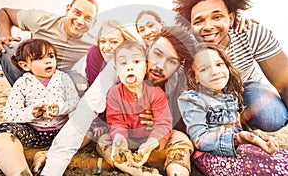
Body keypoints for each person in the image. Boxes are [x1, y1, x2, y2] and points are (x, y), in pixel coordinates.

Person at [41, 26, 194, 176]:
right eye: (157, 54)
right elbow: (86, 111)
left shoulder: (174, 82)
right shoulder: (118, 70)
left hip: (155, 136)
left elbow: (167, 120)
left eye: (172, 61)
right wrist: (54, 164)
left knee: (180, 138)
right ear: (148, 49)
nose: (160, 66)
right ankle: (141, 171)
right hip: (124, 134)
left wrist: (155, 132)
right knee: (104, 142)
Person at [173, 0, 288, 132]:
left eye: (217, 17)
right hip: (207, 93)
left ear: (231, 17)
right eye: (198, 21)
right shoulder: (186, 48)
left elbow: (285, 81)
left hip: (245, 87)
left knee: (273, 117)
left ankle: (242, 122)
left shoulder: (250, 33)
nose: (208, 26)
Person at [178, 43, 288, 175]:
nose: (215, 71)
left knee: (282, 158)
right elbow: (199, 140)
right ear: (194, 77)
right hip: (211, 156)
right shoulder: (193, 99)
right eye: (204, 69)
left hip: (238, 148)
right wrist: (237, 138)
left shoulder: (229, 94)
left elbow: (236, 126)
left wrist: (257, 137)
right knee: (275, 168)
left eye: (219, 64)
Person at [0, 39, 80, 176]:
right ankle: (19, 171)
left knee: (89, 125)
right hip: (33, 132)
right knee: (1, 132)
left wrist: (59, 108)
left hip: (62, 133)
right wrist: (31, 113)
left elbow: (75, 102)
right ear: (25, 65)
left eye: (51, 56)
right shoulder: (22, 83)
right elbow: (10, 113)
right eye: (39, 58)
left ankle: (46, 154)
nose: (48, 61)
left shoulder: (63, 78)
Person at [0, 0, 98, 96]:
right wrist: (4, 36)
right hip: (33, 72)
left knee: (80, 82)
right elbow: (5, 13)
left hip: (63, 79)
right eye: (77, 13)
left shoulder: (93, 41)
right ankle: (27, 99)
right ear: (68, 9)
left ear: (93, 22)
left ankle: (67, 111)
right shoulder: (41, 20)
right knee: (8, 48)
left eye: (88, 18)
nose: (80, 21)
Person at [98, 40, 172, 175]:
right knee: (103, 142)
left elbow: (163, 123)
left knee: (180, 138)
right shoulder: (115, 93)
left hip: (152, 140)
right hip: (128, 139)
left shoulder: (156, 93)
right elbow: (116, 122)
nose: (130, 67)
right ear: (116, 70)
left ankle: (177, 170)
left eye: (136, 62)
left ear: (146, 67)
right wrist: (120, 139)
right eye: (123, 63)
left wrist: (152, 142)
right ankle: (138, 171)